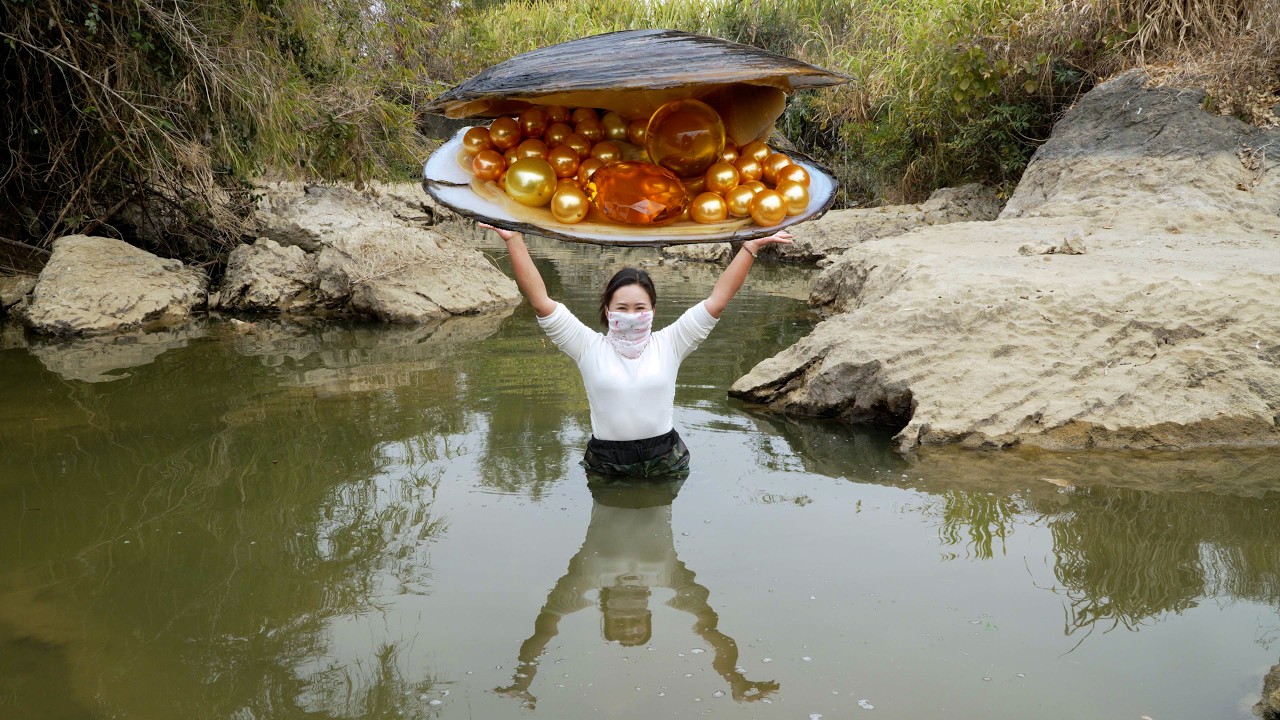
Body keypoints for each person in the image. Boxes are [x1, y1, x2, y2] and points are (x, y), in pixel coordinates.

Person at [480, 223, 793, 478]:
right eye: (622, 307)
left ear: (653, 310)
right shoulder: (587, 346)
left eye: (639, 307)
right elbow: (540, 300)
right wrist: (514, 239)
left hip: (665, 461)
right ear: (607, 310)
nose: (631, 314)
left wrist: (751, 247)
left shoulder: (671, 343)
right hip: (606, 463)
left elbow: (718, 299)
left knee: (661, 551)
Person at [494, 476, 779, 707]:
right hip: (648, 470)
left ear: (605, 612)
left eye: (621, 623)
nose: (629, 615)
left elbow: (543, 632)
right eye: (636, 623)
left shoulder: (585, 581)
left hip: (618, 469)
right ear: (647, 612)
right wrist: (734, 678)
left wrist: (523, 679)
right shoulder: (671, 580)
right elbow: (713, 634)